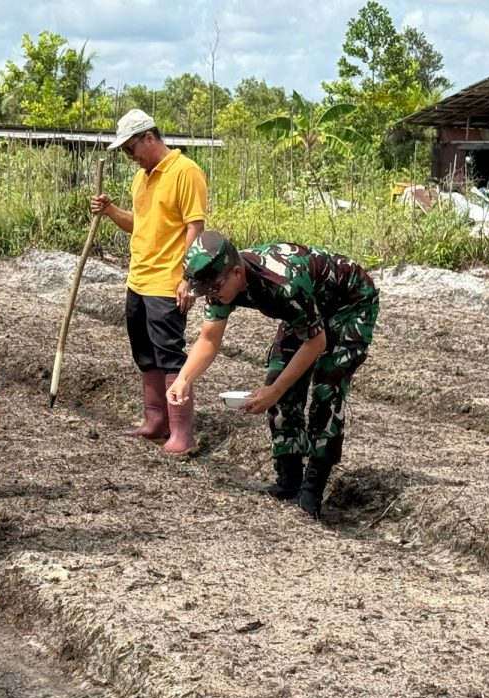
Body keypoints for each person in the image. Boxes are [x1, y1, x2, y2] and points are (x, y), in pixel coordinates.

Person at [167, 232, 379, 518]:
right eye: (205, 292)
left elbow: (316, 342)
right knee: (277, 378)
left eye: (214, 289)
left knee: (327, 388)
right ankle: (289, 480)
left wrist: (276, 391)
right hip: (306, 308)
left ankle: (312, 491)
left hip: (349, 304)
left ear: (237, 273)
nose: (211, 296)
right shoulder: (220, 279)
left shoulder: (283, 283)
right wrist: (184, 379)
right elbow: (209, 339)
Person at [90, 109, 206, 453]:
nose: (130, 157)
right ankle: (156, 422)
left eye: (131, 148)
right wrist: (111, 211)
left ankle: (182, 433)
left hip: (167, 281)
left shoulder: (186, 171)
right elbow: (139, 225)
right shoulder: (140, 179)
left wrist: (188, 276)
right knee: (144, 352)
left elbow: (195, 227)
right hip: (138, 279)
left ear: (149, 138)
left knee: (169, 353)